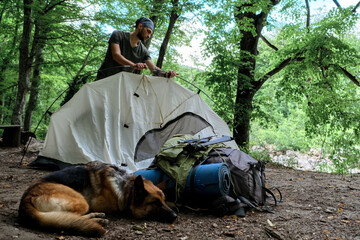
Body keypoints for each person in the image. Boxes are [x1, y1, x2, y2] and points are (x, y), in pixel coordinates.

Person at [96, 17, 178, 80]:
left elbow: (153, 69)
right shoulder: (118, 35)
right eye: (148, 31)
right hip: (103, 79)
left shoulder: (144, 51)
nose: (149, 36)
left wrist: (166, 74)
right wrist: (134, 65)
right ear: (140, 26)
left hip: (120, 85)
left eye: (151, 34)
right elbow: (116, 55)